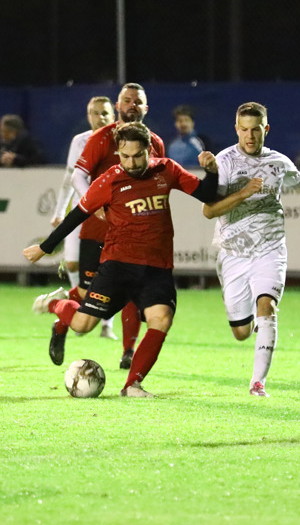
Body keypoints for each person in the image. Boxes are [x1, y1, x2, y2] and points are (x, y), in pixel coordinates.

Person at [24, 122, 238, 397]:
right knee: (82, 325)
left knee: (161, 319)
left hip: (157, 268)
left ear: (149, 150)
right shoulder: (110, 180)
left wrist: (211, 171)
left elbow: (207, 195)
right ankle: (55, 303)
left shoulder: (167, 170)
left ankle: (132, 385)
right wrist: (46, 247)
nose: (131, 162)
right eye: (124, 156)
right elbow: (77, 215)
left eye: (137, 155)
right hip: (118, 267)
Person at [201, 102, 300, 397]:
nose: (250, 136)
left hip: (270, 249)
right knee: (241, 332)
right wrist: (244, 192)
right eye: (244, 130)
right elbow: (209, 211)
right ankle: (253, 324)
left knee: (268, 307)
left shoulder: (278, 162)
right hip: (233, 253)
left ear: (266, 129)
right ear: (237, 129)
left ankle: (257, 383)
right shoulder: (223, 162)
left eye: (256, 130)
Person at [53, 82, 166, 370]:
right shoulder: (102, 138)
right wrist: (96, 204)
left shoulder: (156, 142)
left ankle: (128, 351)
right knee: (85, 306)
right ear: (118, 106)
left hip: (136, 236)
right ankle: (60, 319)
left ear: (146, 108)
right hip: (98, 232)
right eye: (127, 100)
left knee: (132, 293)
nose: (132, 105)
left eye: (138, 101)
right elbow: (78, 177)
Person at [51, 96, 118, 340]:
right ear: (88, 115)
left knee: (108, 269)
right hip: (82, 211)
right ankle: (79, 312)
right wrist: (59, 211)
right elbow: (71, 176)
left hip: (108, 215)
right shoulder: (79, 141)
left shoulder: (119, 139)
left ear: (113, 115)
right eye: (94, 113)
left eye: (104, 113)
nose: (99, 117)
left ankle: (106, 325)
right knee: (71, 264)